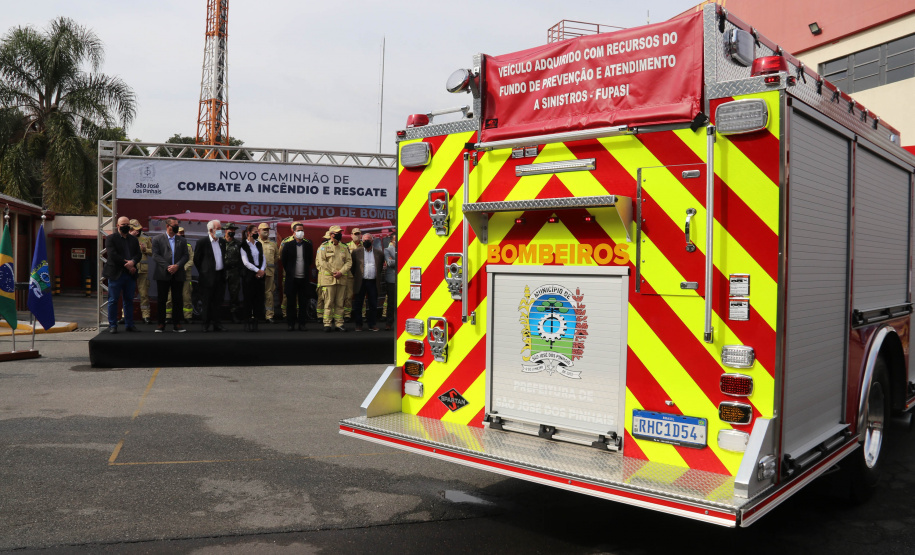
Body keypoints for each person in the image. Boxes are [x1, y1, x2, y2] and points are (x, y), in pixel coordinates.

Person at [103, 216, 141, 334]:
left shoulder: (133, 239)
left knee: (129, 300)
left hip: (130, 275)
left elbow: (138, 254)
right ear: (118, 226)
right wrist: (128, 264)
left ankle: (129, 324)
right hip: (116, 274)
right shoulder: (110, 238)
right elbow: (112, 255)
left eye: (127, 224)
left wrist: (133, 262)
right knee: (113, 300)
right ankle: (113, 325)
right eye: (123, 224)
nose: (126, 226)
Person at [152, 217, 189, 333]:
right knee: (162, 299)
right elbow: (155, 255)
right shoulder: (157, 239)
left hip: (178, 273)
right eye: (174, 225)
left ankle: (177, 324)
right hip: (163, 273)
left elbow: (185, 256)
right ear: (168, 226)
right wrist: (168, 266)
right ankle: (161, 324)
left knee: (177, 299)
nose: (176, 227)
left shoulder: (182, 240)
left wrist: (177, 266)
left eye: (177, 225)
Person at [315, 225, 351, 333]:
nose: (339, 234)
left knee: (340, 303)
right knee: (328, 302)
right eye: (337, 233)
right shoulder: (323, 246)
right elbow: (322, 262)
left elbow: (349, 262)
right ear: (331, 235)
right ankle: (327, 323)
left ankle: (339, 323)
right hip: (328, 280)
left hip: (341, 279)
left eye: (340, 232)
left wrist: (341, 272)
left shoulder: (344, 247)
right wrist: (334, 271)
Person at [194, 220, 227, 332]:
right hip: (207, 278)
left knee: (218, 302)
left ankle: (217, 324)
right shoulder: (202, 242)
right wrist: (204, 271)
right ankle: (205, 324)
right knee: (207, 302)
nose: (220, 231)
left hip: (220, 276)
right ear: (211, 230)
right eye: (218, 228)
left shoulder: (222, 242)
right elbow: (197, 260)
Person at [281, 222, 313, 331]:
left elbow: (309, 261)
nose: (301, 232)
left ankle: (302, 324)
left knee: (303, 303)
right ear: (293, 232)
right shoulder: (288, 245)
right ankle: (291, 324)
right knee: (291, 303)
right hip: (292, 279)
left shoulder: (308, 245)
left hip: (303, 279)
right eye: (299, 230)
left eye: (302, 230)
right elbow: (284, 261)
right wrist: (290, 271)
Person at [351, 233, 384, 332]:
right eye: (364, 240)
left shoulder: (379, 253)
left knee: (373, 304)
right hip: (361, 281)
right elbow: (353, 268)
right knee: (358, 304)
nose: (366, 242)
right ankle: (358, 324)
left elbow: (380, 268)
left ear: (372, 241)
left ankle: (372, 324)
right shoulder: (356, 252)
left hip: (373, 282)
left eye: (368, 240)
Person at [240, 224, 267, 332]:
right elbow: (245, 262)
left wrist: (262, 270)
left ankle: (256, 320)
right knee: (248, 299)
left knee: (258, 299)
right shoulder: (243, 245)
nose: (257, 233)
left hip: (259, 276)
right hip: (249, 276)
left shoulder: (258, 244)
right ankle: (247, 321)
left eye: (257, 232)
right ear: (249, 233)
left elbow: (263, 258)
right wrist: (257, 270)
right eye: (255, 232)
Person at [166, 227, 194, 323]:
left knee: (187, 297)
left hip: (185, 275)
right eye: (179, 233)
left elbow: (191, 260)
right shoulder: (169, 245)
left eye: (182, 233)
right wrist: (171, 267)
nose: (181, 235)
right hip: (172, 274)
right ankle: (168, 316)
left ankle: (188, 316)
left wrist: (183, 267)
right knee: (169, 296)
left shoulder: (188, 246)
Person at [129, 219, 152, 324]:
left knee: (144, 294)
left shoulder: (146, 238)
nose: (137, 231)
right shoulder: (125, 238)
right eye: (135, 229)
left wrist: (145, 250)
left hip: (143, 270)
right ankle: (125, 315)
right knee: (128, 293)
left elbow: (153, 252)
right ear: (130, 229)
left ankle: (146, 315)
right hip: (129, 270)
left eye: (139, 229)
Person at [277, 221, 301, 319]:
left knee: (299, 294)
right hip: (288, 272)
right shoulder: (285, 241)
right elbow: (281, 257)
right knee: (287, 294)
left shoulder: (305, 242)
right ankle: (285, 314)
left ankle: (299, 313)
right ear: (292, 230)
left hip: (300, 273)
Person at [257, 223, 278, 323]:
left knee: (269, 294)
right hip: (256, 273)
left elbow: (277, 257)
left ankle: (269, 315)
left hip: (269, 272)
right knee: (256, 293)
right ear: (259, 231)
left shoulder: (273, 244)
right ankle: (256, 315)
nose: (266, 231)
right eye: (264, 229)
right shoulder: (255, 242)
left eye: (268, 229)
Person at [223, 223, 243, 323]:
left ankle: (234, 314)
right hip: (222, 271)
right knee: (219, 293)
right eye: (230, 229)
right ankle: (217, 315)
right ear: (225, 230)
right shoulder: (220, 242)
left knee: (234, 293)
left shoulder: (238, 244)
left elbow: (241, 259)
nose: (232, 231)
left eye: (234, 230)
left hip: (234, 271)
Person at [342, 227, 361, 322]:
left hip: (360, 274)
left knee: (361, 294)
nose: (357, 236)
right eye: (355, 234)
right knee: (348, 296)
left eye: (358, 234)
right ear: (351, 235)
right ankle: (347, 315)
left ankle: (363, 314)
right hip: (349, 274)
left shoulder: (364, 245)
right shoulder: (347, 246)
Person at [314, 230, 331, 323]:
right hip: (322, 276)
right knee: (321, 296)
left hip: (332, 276)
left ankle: (328, 315)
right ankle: (320, 315)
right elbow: (318, 264)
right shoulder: (321, 248)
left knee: (330, 298)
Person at [383, 234, 397, 331]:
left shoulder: (404, 248)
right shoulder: (387, 250)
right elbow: (390, 263)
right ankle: (389, 323)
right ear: (392, 241)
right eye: (395, 240)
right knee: (391, 303)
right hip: (392, 280)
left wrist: (394, 260)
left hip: (402, 280)